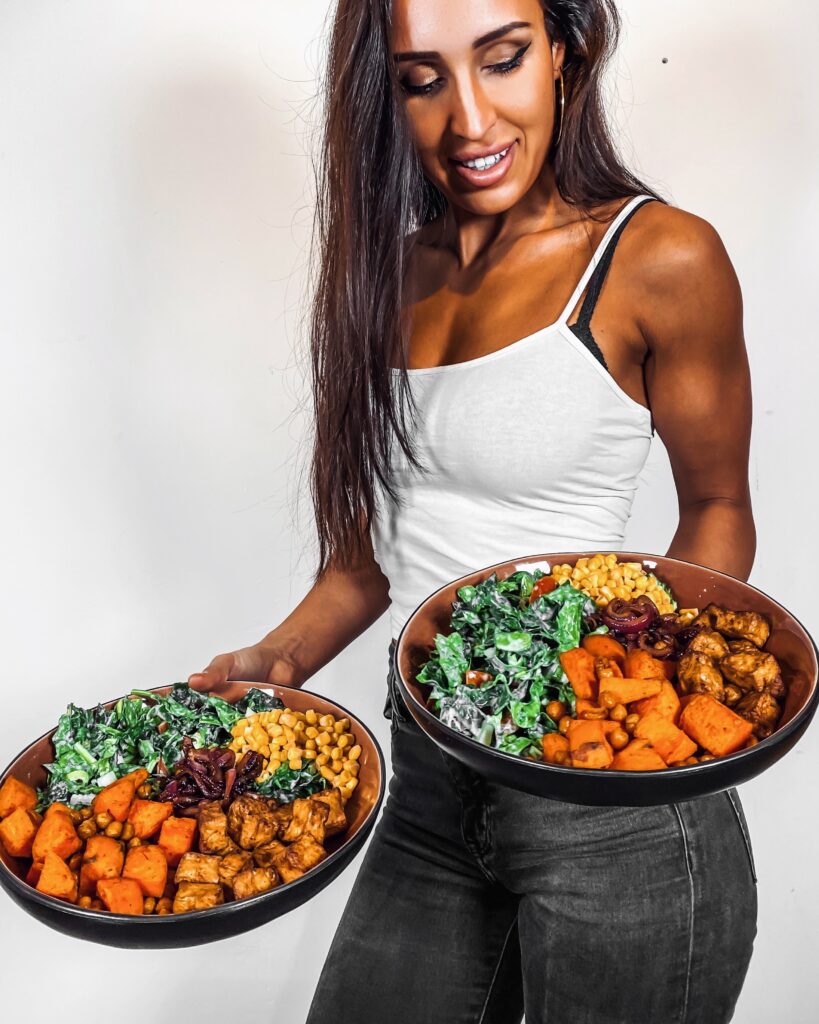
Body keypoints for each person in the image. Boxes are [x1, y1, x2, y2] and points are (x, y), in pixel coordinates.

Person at [189, 1, 758, 1020]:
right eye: (422, 79)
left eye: (502, 61)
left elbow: (717, 507)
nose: (470, 120)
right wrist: (274, 664)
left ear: (565, 55)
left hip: (611, 807)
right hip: (430, 784)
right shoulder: (386, 279)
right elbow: (364, 565)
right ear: (385, 96)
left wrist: (636, 698)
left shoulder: (658, 257)